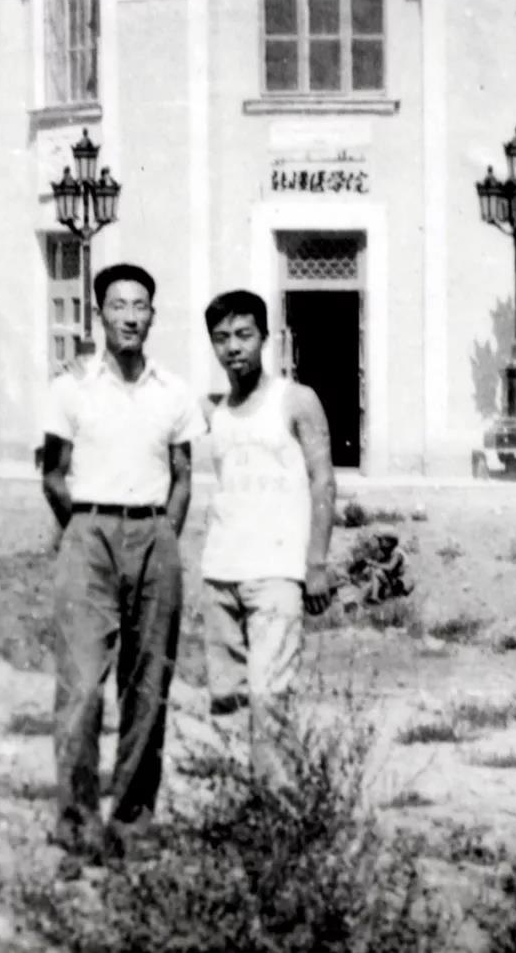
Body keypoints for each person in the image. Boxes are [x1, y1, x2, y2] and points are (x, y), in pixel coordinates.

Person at [40, 262, 207, 860]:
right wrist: (86, 529)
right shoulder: (71, 388)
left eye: (140, 306)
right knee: (82, 687)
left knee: (148, 687)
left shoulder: (173, 391)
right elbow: (52, 474)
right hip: (89, 534)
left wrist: (164, 535)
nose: (130, 317)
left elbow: (184, 476)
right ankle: (78, 824)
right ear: (100, 315)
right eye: (118, 306)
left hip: (155, 534)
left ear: (152, 316)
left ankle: (132, 824)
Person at [200, 288, 337, 785]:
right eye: (222, 338)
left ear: (265, 338)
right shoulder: (213, 410)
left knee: (270, 695)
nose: (233, 347)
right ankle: (241, 801)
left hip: (276, 573)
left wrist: (315, 564)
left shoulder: (295, 400)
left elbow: (323, 481)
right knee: (229, 701)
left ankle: (281, 808)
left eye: (244, 335)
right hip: (220, 572)